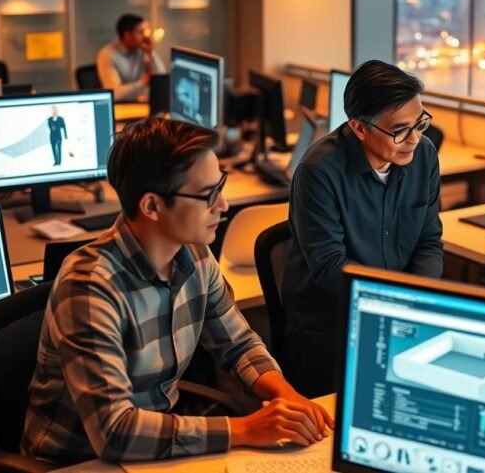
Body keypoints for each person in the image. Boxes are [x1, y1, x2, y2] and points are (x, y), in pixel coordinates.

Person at [22, 117, 332, 465]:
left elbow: (240, 345)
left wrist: (288, 398)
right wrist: (243, 429)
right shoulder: (90, 288)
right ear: (152, 206)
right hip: (82, 462)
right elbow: (113, 433)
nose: (223, 206)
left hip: (160, 446)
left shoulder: (193, 252)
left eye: (221, 186)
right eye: (207, 195)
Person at [284, 60, 443, 398]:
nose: (415, 139)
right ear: (359, 128)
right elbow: (329, 265)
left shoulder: (424, 155)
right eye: (401, 130)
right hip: (332, 330)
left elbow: (428, 240)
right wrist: (391, 304)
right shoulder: (319, 171)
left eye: (421, 123)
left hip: (401, 322)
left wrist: (417, 302)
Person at [96, 14, 166, 102]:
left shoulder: (142, 49)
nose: (146, 37)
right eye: (141, 32)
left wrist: (151, 53)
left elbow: (162, 77)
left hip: (142, 103)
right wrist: (143, 83)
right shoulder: (107, 54)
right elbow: (114, 94)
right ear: (127, 35)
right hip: (121, 106)